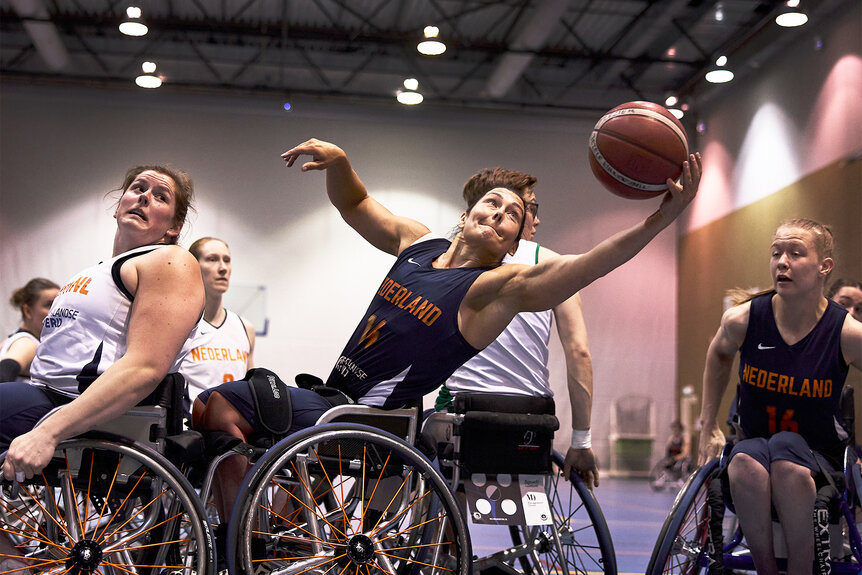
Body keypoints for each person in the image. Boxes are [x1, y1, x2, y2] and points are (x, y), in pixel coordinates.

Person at [194, 138, 701, 518]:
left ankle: (244, 540)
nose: (501, 215)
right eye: (493, 204)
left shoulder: (491, 291)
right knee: (204, 411)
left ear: (512, 246)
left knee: (220, 405)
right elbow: (354, 205)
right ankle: (261, 535)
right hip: (332, 395)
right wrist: (342, 163)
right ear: (466, 214)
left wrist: (661, 218)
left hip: (370, 417)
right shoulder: (418, 244)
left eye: (513, 216)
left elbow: (587, 265)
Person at [0, 165, 205, 479]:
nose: (145, 198)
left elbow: (145, 368)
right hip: (44, 394)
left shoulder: (169, 261)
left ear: (174, 226)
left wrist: (48, 433)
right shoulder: (97, 270)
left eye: (160, 196)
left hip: (79, 410)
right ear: (119, 204)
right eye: (138, 189)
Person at [698, 219, 862, 575]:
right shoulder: (744, 319)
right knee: (743, 459)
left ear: (824, 266)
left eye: (795, 253)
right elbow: (719, 353)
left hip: (819, 464)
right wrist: (707, 425)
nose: (782, 262)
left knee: (787, 452)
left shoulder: (846, 332)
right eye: (776, 253)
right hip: (755, 450)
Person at [438, 167, 598, 487]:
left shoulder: (448, 261)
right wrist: (581, 441)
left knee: (421, 449)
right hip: (530, 418)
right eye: (532, 210)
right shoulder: (554, 265)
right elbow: (579, 352)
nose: (537, 221)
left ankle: (441, 530)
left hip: (463, 412)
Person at [182, 237, 255, 425]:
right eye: (212, 259)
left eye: (227, 260)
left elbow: (252, 387)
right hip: (191, 430)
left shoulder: (245, 328)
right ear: (193, 267)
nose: (222, 268)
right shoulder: (181, 326)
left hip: (233, 432)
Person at [0, 278, 60, 382]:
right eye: (49, 305)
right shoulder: (27, 343)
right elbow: (4, 372)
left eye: (59, 304)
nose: (57, 311)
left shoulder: (14, 338)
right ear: (27, 311)